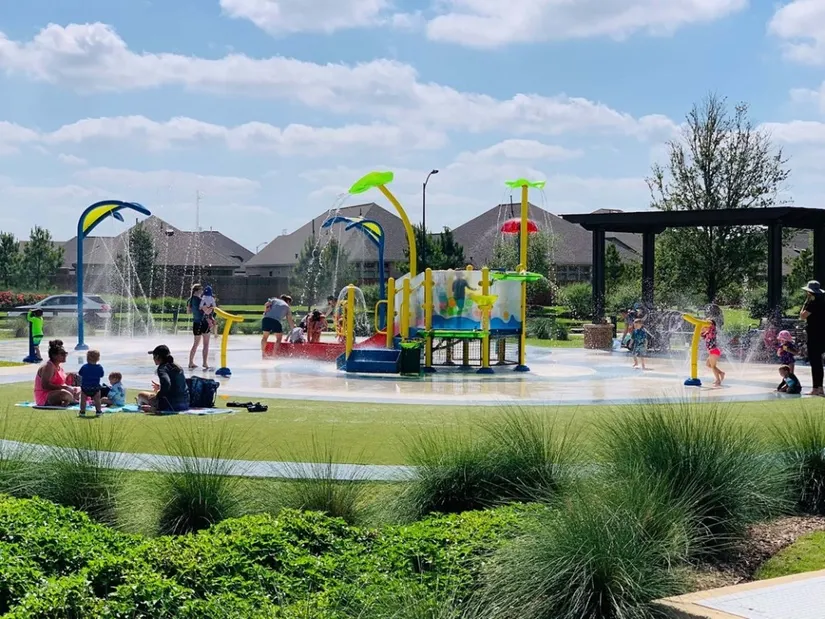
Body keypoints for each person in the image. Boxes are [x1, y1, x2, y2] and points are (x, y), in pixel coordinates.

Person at [137, 345, 190, 414]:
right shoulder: (178, 367)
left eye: (154, 356)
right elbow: (177, 385)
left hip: (171, 404)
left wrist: (158, 396)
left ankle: (154, 408)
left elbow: (166, 383)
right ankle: (153, 406)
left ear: (157, 356)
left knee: (141, 395)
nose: (153, 358)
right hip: (185, 404)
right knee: (156, 395)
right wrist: (160, 387)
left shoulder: (162, 368)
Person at [33, 340, 79, 407]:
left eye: (65, 353)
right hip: (45, 396)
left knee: (80, 389)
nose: (65, 355)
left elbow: (60, 382)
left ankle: (70, 399)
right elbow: (45, 385)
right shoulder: (48, 366)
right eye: (62, 354)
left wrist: (69, 380)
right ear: (54, 355)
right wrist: (64, 387)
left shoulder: (59, 366)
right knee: (64, 393)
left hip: (58, 391)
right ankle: (74, 400)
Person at [800, 280, 825, 396]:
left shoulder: (812, 303)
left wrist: (805, 303)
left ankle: (816, 388)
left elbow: (802, 316)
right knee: (819, 363)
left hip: (814, 335)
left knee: (815, 363)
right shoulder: (823, 302)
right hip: (823, 334)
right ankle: (820, 388)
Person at [186, 284, 211, 370]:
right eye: (201, 290)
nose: (202, 291)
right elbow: (207, 311)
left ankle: (190, 362)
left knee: (195, 344)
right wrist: (212, 307)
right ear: (198, 290)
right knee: (206, 344)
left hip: (196, 323)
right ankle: (205, 363)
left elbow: (188, 312)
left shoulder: (189, 300)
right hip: (204, 323)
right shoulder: (201, 300)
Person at [77, 350, 105, 418]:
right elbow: (102, 375)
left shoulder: (84, 367)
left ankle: (82, 412)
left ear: (87, 358)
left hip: (85, 387)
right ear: (98, 359)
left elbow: (80, 373)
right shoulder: (99, 367)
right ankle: (98, 411)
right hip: (95, 387)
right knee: (97, 400)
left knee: (83, 400)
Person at [701, 319, 725, 386]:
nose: (706, 325)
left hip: (714, 351)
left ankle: (718, 380)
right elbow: (702, 334)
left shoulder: (712, 332)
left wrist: (708, 322)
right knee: (708, 364)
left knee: (713, 366)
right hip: (712, 352)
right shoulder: (707, 333)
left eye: (708, 323)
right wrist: (702, 328)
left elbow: (711, 326)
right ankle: (721, 373)